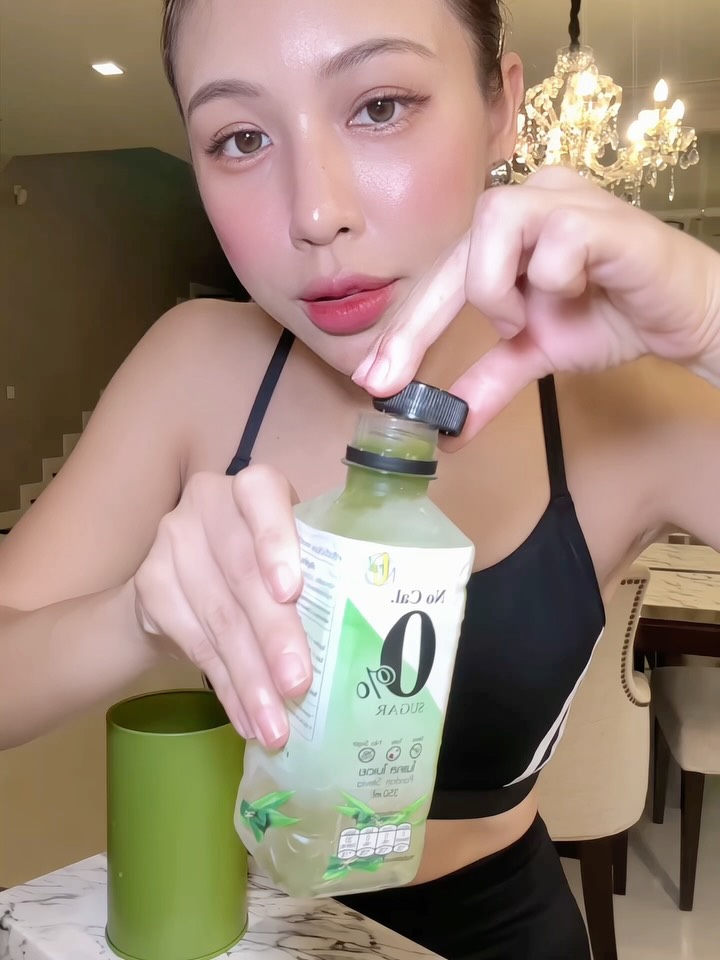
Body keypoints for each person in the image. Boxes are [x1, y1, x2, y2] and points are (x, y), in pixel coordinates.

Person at [1, 0, 719, 955]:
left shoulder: (624, 397)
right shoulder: (195, 364)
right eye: (242, 137)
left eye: (380, 106)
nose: (315, 213)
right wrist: (136, 615)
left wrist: (715, 324)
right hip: (246, 923)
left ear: (501, 108)